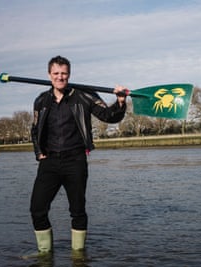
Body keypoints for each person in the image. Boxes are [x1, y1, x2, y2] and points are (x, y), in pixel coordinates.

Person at [30, 55, 127, 252]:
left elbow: (109, 116)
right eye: (56, 73)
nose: (60, 77)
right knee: (37, 210)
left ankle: (78, 256)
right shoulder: (41, 100)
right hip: (49, 162)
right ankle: (44, 254)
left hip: (75, 160)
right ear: (49, 75)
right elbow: (34, 129)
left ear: (69, 74)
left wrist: (120, 102)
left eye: (64, 73)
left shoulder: (84, 95)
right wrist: (39, 152)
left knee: (77, 211)